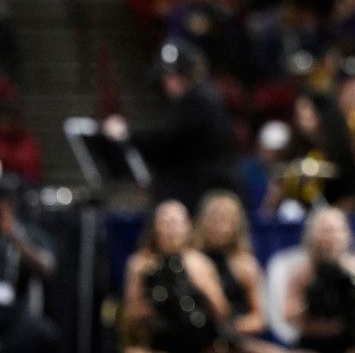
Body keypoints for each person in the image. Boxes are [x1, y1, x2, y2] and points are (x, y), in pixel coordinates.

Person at [104, 40, 240, 212]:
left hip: (197, 198)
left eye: (170, 77)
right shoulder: (197, 99)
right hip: (196, 194)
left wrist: (127, 134)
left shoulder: (199, 101)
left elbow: (165, 140)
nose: (166, 84)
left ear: (186, 75)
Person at [123, 200, 230, 353]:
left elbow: (223, 312)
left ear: (188, 227)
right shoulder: (140, 264)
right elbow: (130, 317)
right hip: (158, 342)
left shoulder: (200, 262)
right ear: (154, 227)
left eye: (177, 222)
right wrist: (149, 306)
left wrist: (204, 286)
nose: (172, 229)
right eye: (166, 222)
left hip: (199, 343)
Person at [283, 206, 355, 353]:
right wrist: (312, 306)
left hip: (353, 340)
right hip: (312, 341)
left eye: (337, 230)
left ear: (347, 233)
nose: (333, 237)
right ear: (313, 235)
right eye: (326, 231)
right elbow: (289, 315)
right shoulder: (303, 272)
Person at [191, 191, 269, 340]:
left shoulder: (246, 264)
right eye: (214, 218)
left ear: (237, 225)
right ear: (202, 221)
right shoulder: (190, 260)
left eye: (226, 219)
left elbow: (259, 320)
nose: (220, 226)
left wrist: (227, 330)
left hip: (233, 338)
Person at [0, 177, 60, 352]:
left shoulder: (27, 234)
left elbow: (48, 267)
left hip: (16, 308)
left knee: (42, 333)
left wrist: (13, 235)